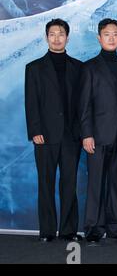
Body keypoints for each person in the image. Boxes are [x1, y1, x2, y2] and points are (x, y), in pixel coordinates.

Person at [79, 18, 117, 242]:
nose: (112, 38)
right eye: (107, 34)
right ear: (99, 37)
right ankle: (93, 228)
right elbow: (84, 105)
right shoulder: (89, 67)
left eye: (115, 34)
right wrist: (86, 134)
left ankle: (116, 227)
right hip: (97, 135)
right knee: (96, 183)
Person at [25, 18, 83, 242]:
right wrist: (35, 130)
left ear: (67, 37)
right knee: (46, 183)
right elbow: (31, 103)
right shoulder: (34, 68)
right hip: (45, 135)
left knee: (69, 184)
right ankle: (47, 231)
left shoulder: (78, 67)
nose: (57, 38)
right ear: (46, 37)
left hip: (71, 136)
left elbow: (81, 103)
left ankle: (68, 230)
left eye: (61, 34)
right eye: (52, 34)